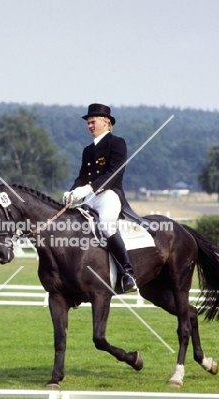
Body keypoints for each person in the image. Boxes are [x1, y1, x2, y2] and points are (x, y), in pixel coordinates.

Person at [63, 103, 137, 293]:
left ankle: (128, 273)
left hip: (109, 194)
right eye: (88, 123)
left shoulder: (117, 143)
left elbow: (114, 173)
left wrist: (89, 188)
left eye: (93, 122)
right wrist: (72, 192)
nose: (90, 126)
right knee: (73, 224)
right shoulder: (88, 150)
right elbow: (82, 176)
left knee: (105, 225)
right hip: (90, 197)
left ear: (106, 122)